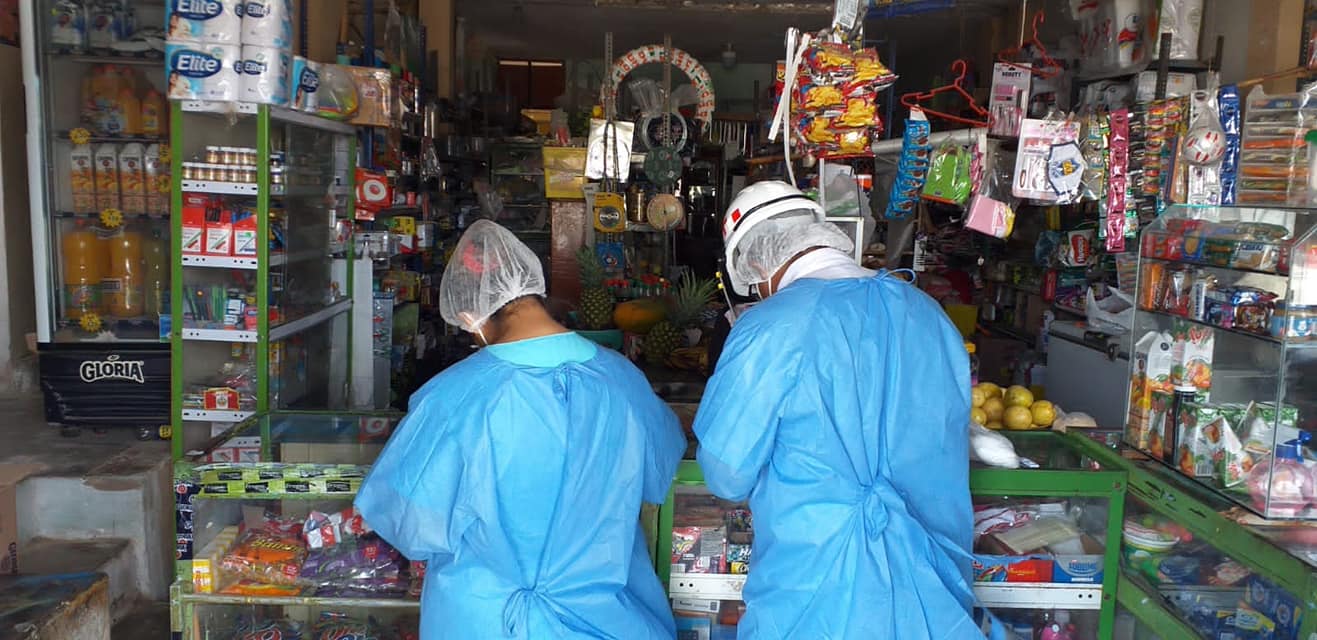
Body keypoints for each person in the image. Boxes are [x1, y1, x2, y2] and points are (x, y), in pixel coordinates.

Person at [356, 220, 685, 639]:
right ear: (534, 289)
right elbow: (658, 477)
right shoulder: (623, 380)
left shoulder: (456, 396)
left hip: (486, 622)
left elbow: (410, 524)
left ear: (471, 315)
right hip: (608, 618)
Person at [694, 181, 986, 639]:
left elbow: (726, 474)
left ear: (756, 263)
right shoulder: (928, 313)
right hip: (932, 585)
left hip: (819, 588)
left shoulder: (771, 327)